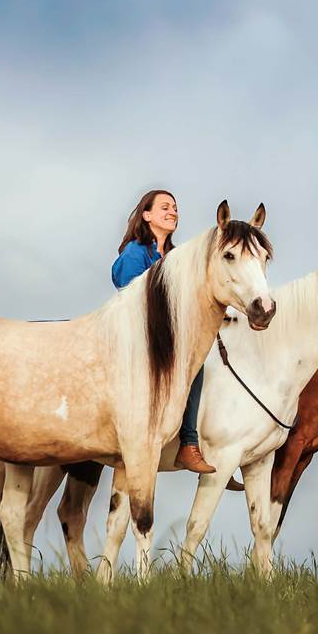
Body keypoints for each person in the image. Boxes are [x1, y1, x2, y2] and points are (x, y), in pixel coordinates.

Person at [111, 189, 216, 474]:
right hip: (140, 336)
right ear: (146, 215)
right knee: (193, 366)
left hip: (173, 338)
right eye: (165, 207)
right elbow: (132, 299)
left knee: (203, 361)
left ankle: (202, 446)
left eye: (175, 208)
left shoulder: (178, 257)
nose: (173, 212)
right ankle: (187, 441)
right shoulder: (135, 253)